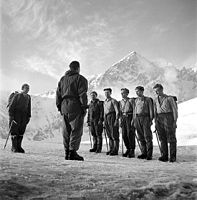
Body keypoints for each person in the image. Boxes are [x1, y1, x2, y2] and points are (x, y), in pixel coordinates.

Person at [56, 61, 88, 161]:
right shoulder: (80, 79)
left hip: (64, 106)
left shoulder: (62, 79)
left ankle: (67, 152)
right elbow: (82, 94)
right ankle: (72, 152)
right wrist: (84, 107)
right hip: (75, 105)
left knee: (66, 131)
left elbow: (58, 94)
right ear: (78, 68)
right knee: (76, 129)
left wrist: (59, 107)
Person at [153, 84, 178, 162]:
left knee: (171, 138)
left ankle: (173, 157)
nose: (157, 93)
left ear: (162, 89)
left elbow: (174, 110)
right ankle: (164, 156)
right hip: (159, 118)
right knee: (162, 138)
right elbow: (155, 111)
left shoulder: (169, 98)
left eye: (158, 91)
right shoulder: (155, 100)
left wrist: (174, 121)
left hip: (168, 117)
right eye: (155, 91)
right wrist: (155, 120)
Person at [8, 84, 31, 153]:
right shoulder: (17, 96)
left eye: (28, 88)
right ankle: (14, 147)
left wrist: (29, 116)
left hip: (24, 116)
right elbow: (11, 106)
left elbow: (29, 107)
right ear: (22, 88)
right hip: (16, 115)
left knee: (21, 131)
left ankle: (19, 146)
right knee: (14, 131)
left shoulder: (28, 97)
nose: (27, 90)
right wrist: (11, 116)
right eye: (26, 88)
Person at [133, 86, 153, 160]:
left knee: (147, 136)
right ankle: (143, 153)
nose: (137, 93)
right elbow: (135, 110)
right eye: (136, 91)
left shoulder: (147, 99)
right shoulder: (136, 100)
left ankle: (149, 154)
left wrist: (151, 119)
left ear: (142, 91)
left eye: (138, 91)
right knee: (140, 136)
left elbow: (151, 110)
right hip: (137, 118)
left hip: (145, 118)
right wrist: (134, 119)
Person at [119, 88, 136, 158]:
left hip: (130, 116)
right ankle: (128, 149)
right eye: (121, 93)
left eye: (124, 93)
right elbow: (120, 111)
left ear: (127, 93)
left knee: (130, 134)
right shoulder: (121, 102)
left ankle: (132, 150)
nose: (122, 94)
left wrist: (133, 120)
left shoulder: (131, 100)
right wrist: (120, 120)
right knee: (124, 134)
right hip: (123, 117)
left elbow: (135, 110)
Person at [103, 88, 119, 156]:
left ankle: (115, 150)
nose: (106, 94)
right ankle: (111, 148)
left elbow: (117, 111)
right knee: (109, 134)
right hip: (106, 117)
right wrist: (104, 121)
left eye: (108, 92)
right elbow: (104, 112)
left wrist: (116, 120)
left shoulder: (113, 101)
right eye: (105, 93)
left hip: (112, 116)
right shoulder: (105, 101)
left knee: (114, 134)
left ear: (110, 93)